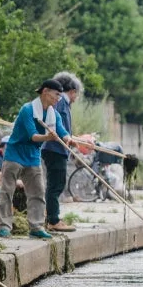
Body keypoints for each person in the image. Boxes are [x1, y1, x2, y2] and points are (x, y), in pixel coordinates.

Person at [0, 80, 63, 240]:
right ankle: (4, 227)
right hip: (15, 154)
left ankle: (36, 226)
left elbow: (61, 131)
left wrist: (69, 139)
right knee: (7, 191)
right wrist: (48, 137)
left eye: (60, 96)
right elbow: (33, 136)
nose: (58, 99)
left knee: (38, 192)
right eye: (56, 94)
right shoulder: (28, 110)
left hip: (33, 157)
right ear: (45, 91)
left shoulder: (53, 114)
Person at [43, 71, 97, 234]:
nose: (76, 97)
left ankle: (51, 217)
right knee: (56, 185)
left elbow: (64, 131)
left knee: (55, 184)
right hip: (54, 149)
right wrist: (75, 140)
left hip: (56, 149)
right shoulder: (61, 104)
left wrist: (75, 139)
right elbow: (58, 130)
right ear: (72, 91)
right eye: (76, 94)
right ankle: (53, 220)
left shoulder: (62, 104)